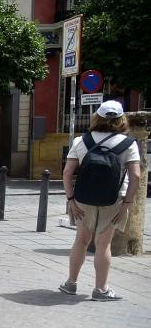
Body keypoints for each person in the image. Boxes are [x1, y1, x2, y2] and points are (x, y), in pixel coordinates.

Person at [60, 100, 141, 301]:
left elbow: (67, 173)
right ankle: (101, 289)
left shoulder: (81, 141)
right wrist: (126, 205)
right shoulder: (128, 144)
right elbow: (136, 176)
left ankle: (71, 283)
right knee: (103, 244)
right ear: (121, 119)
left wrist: (71, 200)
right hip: (113, 200)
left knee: (81, 240)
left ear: (97, 117)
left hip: (83, 199)